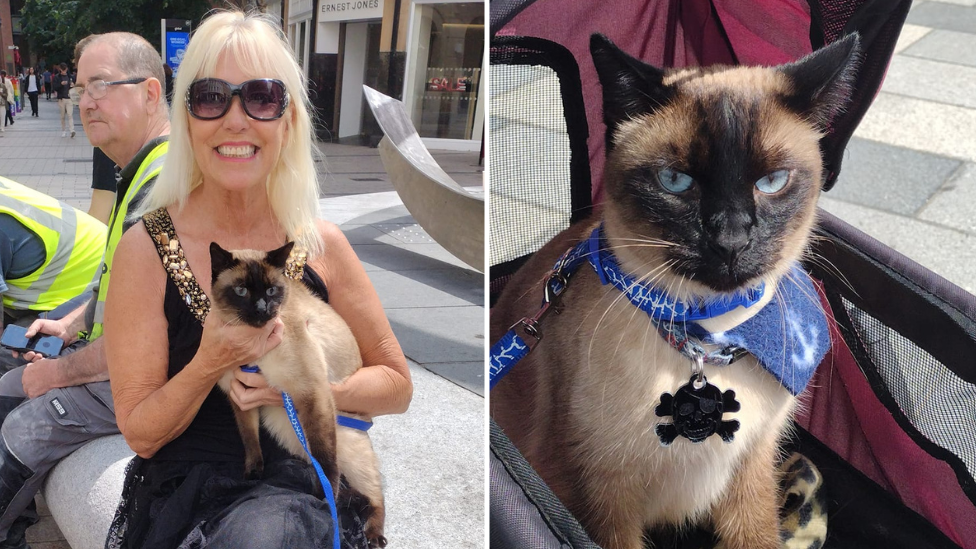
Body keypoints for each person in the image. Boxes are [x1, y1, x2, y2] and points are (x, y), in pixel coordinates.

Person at [104, 11, 412, 548]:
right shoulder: (147, 250)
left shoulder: (322, 244)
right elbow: (142, 433)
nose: (236, 120)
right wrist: (212, 361)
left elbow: (396, 385)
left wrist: (309, 391)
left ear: (288, 120)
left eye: (262, 97)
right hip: (191, 494)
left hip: (302, 490)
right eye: (210, 97)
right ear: (186, 118)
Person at [0, 32, 170, 549]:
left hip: (143, 380)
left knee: (14, 427)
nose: (86, 101)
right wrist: (72, 321)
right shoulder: (141, 169)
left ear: (149, 93)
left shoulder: (164, 187)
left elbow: (145, 345)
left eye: (101, 84)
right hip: (117, 359)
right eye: (79, 88)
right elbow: (119, 280)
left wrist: (56, 372)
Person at [53, 63, 74, 138]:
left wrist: (73, 85)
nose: (64, 71)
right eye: (63, 70)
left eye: (65, 70)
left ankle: (72, 130)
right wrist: (61, 84)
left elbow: (75, 86)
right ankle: (63, 130)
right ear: (60, 70)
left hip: (69, 98)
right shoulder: (57, 77)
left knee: (70, 114)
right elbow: (55, 87)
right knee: (62, 116)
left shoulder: (70, 77)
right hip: (61, 98)